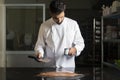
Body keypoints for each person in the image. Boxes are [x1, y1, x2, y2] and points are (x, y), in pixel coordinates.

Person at [34, 0, 85, 68]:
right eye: (56, 18)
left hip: (68, 66)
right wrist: (39, 53)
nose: (60, 20)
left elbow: (80, 43)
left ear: (64, 11)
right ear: (51, 13)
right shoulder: (44, 26)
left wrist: (75, 49)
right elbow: (40, 44)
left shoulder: (73, 24)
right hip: (50, 66)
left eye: (62, 17)